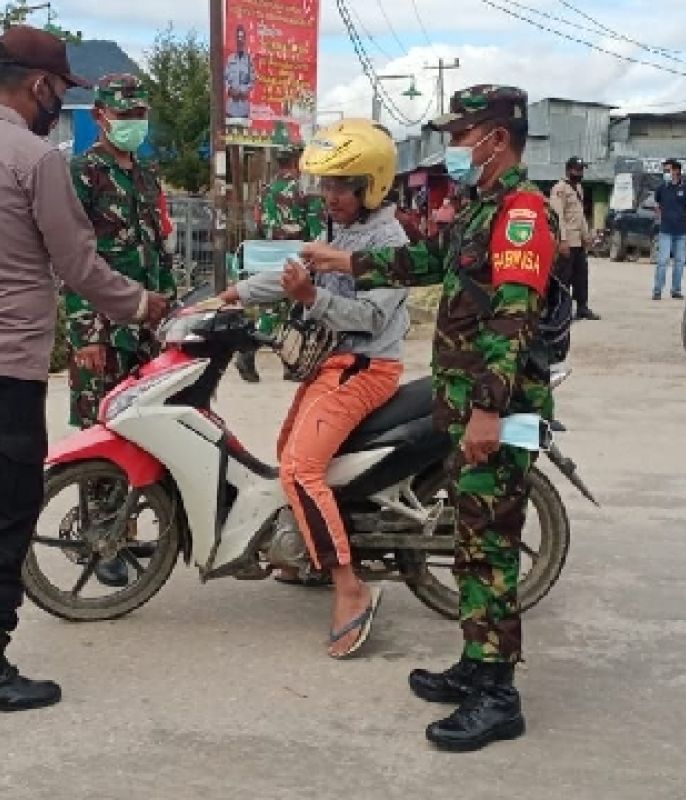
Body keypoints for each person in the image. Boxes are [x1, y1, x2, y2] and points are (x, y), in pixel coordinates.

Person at [0, 25, 170, 715]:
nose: (62, 104)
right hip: (6, 364)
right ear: (40, 85)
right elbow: (78, 265)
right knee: (3, 508)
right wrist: (144, 305)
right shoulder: (37, 159)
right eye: (62, 91)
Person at [302, 86, 559, 750]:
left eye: (463, 132)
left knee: (491, 552)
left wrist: (485, 414)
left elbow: (512, 320)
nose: (454, 145)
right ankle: (477, 665)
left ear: (495, 139)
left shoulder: (523, 214)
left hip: (494, 414)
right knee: (472, 550)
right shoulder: (482, 208)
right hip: (466, 406)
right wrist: (348, 260)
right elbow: (428, 261)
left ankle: (499, 697)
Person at [218, 119, 409, 658]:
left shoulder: (388, 240)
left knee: (300, 468)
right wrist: (228, 296)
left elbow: (371, 317)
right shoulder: (339, 231)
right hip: (334, 362)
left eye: (340, 185)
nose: (329, 195)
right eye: (324, 184)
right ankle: (310, 555)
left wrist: (310, 300)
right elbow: (290, 272)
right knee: (288, 457)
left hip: (367, 365)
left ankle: (350, 586)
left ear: (371, 184)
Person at [63, 73, 176, 588]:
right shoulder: (82, 173)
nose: (131, 122)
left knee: (145, 431)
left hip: (149, 331)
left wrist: (171, 317)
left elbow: (160, 250)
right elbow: (71, 260)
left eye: (138, 114)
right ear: (99, 116)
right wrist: (84, 333)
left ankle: (127, 530)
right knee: (101, 435)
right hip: (103, 330)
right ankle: (98, 537)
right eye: (121, 113)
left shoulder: (148, 175)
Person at [235, 146, 325, 383]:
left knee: (273, 308)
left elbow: (257, 223)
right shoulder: (305, 191)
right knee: (298, 313)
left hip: (268, 254)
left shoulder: (265, 191)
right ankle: (287, 363)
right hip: (297, 257)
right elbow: (318, 231)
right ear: (298, 160)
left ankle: (278, 359)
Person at [551, 156, 599, 319]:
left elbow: (581, 216)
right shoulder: (560, 189)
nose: (579, 173)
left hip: (578, 241)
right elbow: (558, 216)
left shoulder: (578, 188)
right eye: (576, 170)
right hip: (567, 241)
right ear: (568, 170)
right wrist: (562, 240)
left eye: (581, 170)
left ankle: (582, 307)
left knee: (581, 276)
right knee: (564, 277)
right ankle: (561, 309)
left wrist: (587, 236)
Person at [653, 158, 686, 300]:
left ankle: (676, 290)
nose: (666, 173)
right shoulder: (661, 189)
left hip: (681, 232)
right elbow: (657, 205)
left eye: (668, 170)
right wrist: (661, 217)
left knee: (680, 262)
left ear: (676, 171)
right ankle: (657, 290)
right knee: (662, 261)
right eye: (664, 170)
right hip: (665, 231)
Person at [225, 24, 254, 121]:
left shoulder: (249, 60)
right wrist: (229, 90)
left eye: (242, 37)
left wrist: (243, 91)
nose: (240, 39)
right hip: (230, 107)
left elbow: (252, 80)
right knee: (229, 134)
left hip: (243, 108)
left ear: (245, 39)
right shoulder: (230, 59)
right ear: (235, 39)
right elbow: (224, 79)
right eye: (238, 37)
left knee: (243, 135)